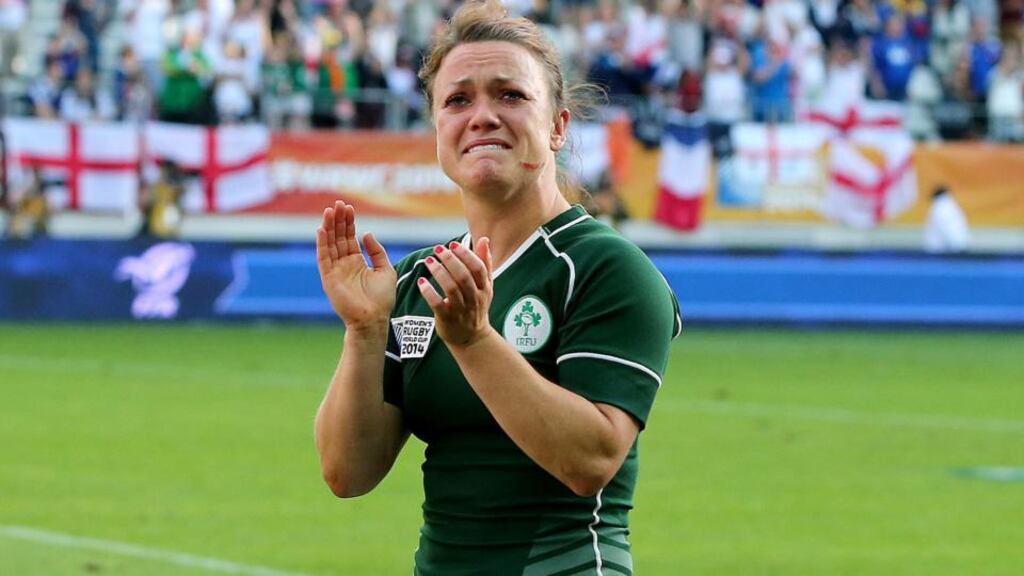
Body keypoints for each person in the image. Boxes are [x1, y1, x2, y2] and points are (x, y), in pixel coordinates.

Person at [313, 2, 681, 574]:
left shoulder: (607, 269)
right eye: (458, 100)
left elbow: (591, 459)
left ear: (558, 125)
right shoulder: (417, 281)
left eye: (510, 95)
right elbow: (347, 472)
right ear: (437, 129)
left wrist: (474, 340)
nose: (482, 116)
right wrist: (364, 332)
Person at [924, 185, 970, 253]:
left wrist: (955, 247)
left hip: (948, 251)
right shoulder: (951, 206)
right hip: (954, 248)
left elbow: (947, 229)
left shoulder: (941, 207)